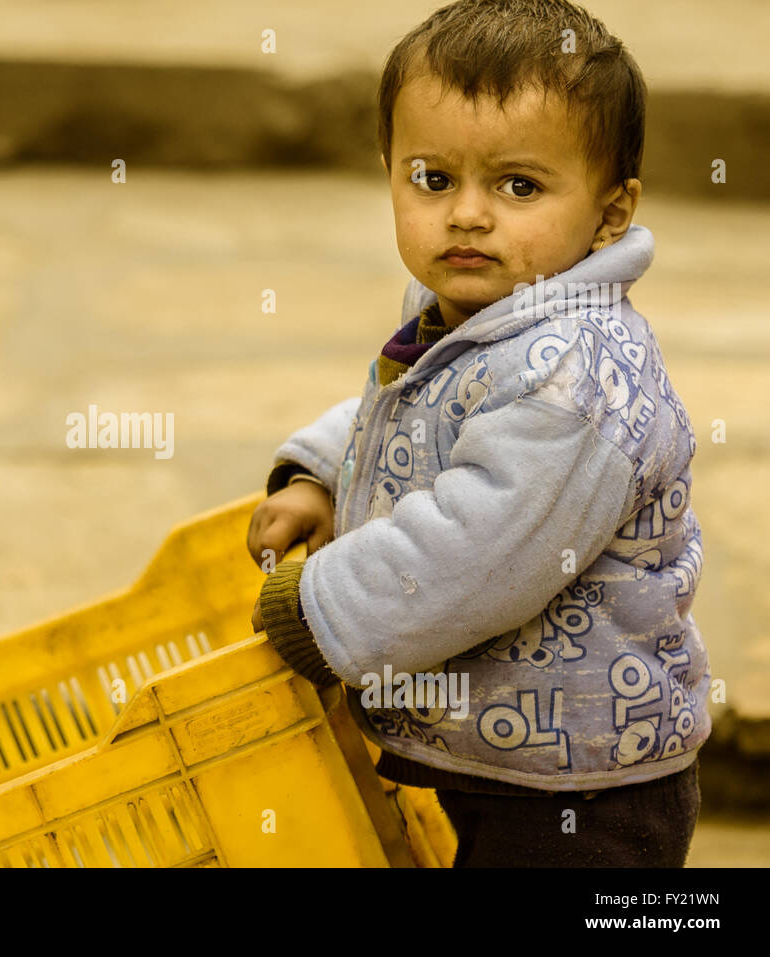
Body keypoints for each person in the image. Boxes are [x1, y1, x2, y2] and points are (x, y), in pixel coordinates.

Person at [246, 0, 707, 866]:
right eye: (432, 179)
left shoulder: (572, 376)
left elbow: (477, 548)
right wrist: (318, 471)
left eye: (519, 186)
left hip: (581, 789)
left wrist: (321, 609)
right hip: (497, 748)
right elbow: (414, 417)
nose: (466, 214)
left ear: (611, 213)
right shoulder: (481, 312)